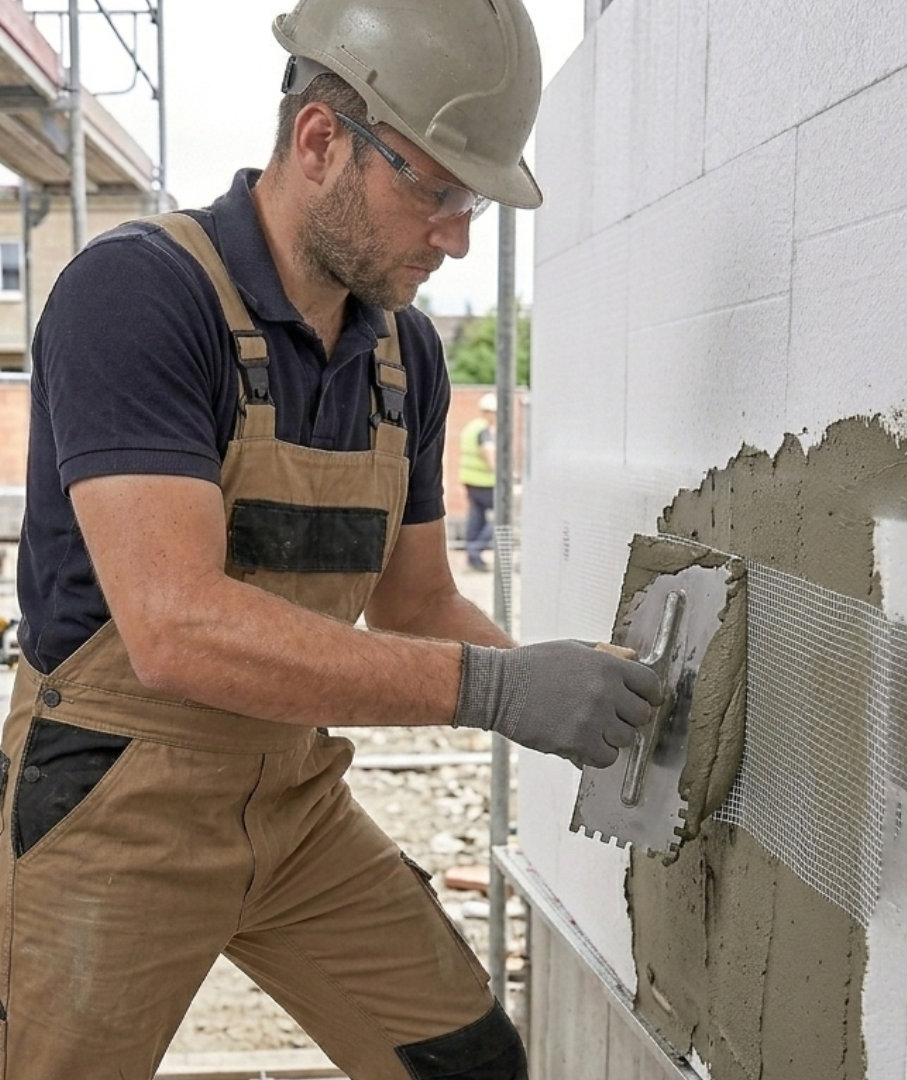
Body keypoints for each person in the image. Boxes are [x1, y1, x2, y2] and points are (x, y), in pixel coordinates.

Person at [0, 2, 663, 1078]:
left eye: (474, 206)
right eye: (438, 191)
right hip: (116, 801)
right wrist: (493, 695)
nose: (455, 234)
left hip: (292, 796)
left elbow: (415, 605)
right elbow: (174, 628)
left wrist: (578, 689)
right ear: (319, 141)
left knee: (471, 1065)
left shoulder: (405, 359)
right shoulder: (140, 297)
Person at [460, 391, 498, 571]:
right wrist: (502, 475)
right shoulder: (484, 430)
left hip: (470, 480)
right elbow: (488, 453)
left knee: (476, 518)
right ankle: (476, 551)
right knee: (502, 518)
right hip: (485, 482)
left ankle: (473, 559)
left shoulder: (471, 427)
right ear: (488, 412)